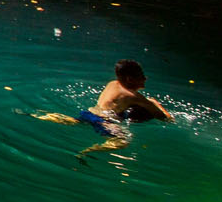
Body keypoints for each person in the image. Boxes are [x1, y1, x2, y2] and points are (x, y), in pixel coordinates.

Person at [35, 58, 175, 154]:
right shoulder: (134, 96)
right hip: (104, 121)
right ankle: (88, 151)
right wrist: (155, 103)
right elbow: (166, 118)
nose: (145, 78)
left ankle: (41, 115)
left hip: (89, 113)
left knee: (76, 121)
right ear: (129, 79)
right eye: (141, 76)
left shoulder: (113, 84)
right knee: (123, 141)